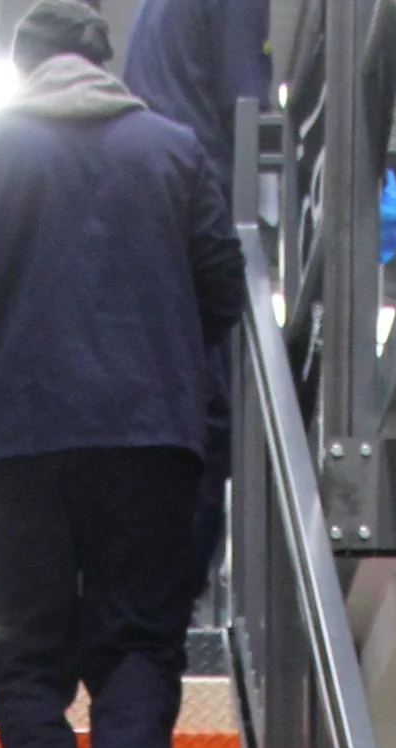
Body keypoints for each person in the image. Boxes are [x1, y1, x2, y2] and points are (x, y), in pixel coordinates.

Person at [0, 1, 245, 748]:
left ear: (22, 68)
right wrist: (167, 361)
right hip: (151, 435)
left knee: (23, 648)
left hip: (16, 444)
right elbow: (223, 286)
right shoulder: (172, 149)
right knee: (139, 636)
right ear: (107, 63)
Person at [121, 0, 269, 603]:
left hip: (151, 207)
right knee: (210, 417)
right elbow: (247, 108)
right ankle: (171, 596)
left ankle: (152, 590)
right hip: (193, 208)